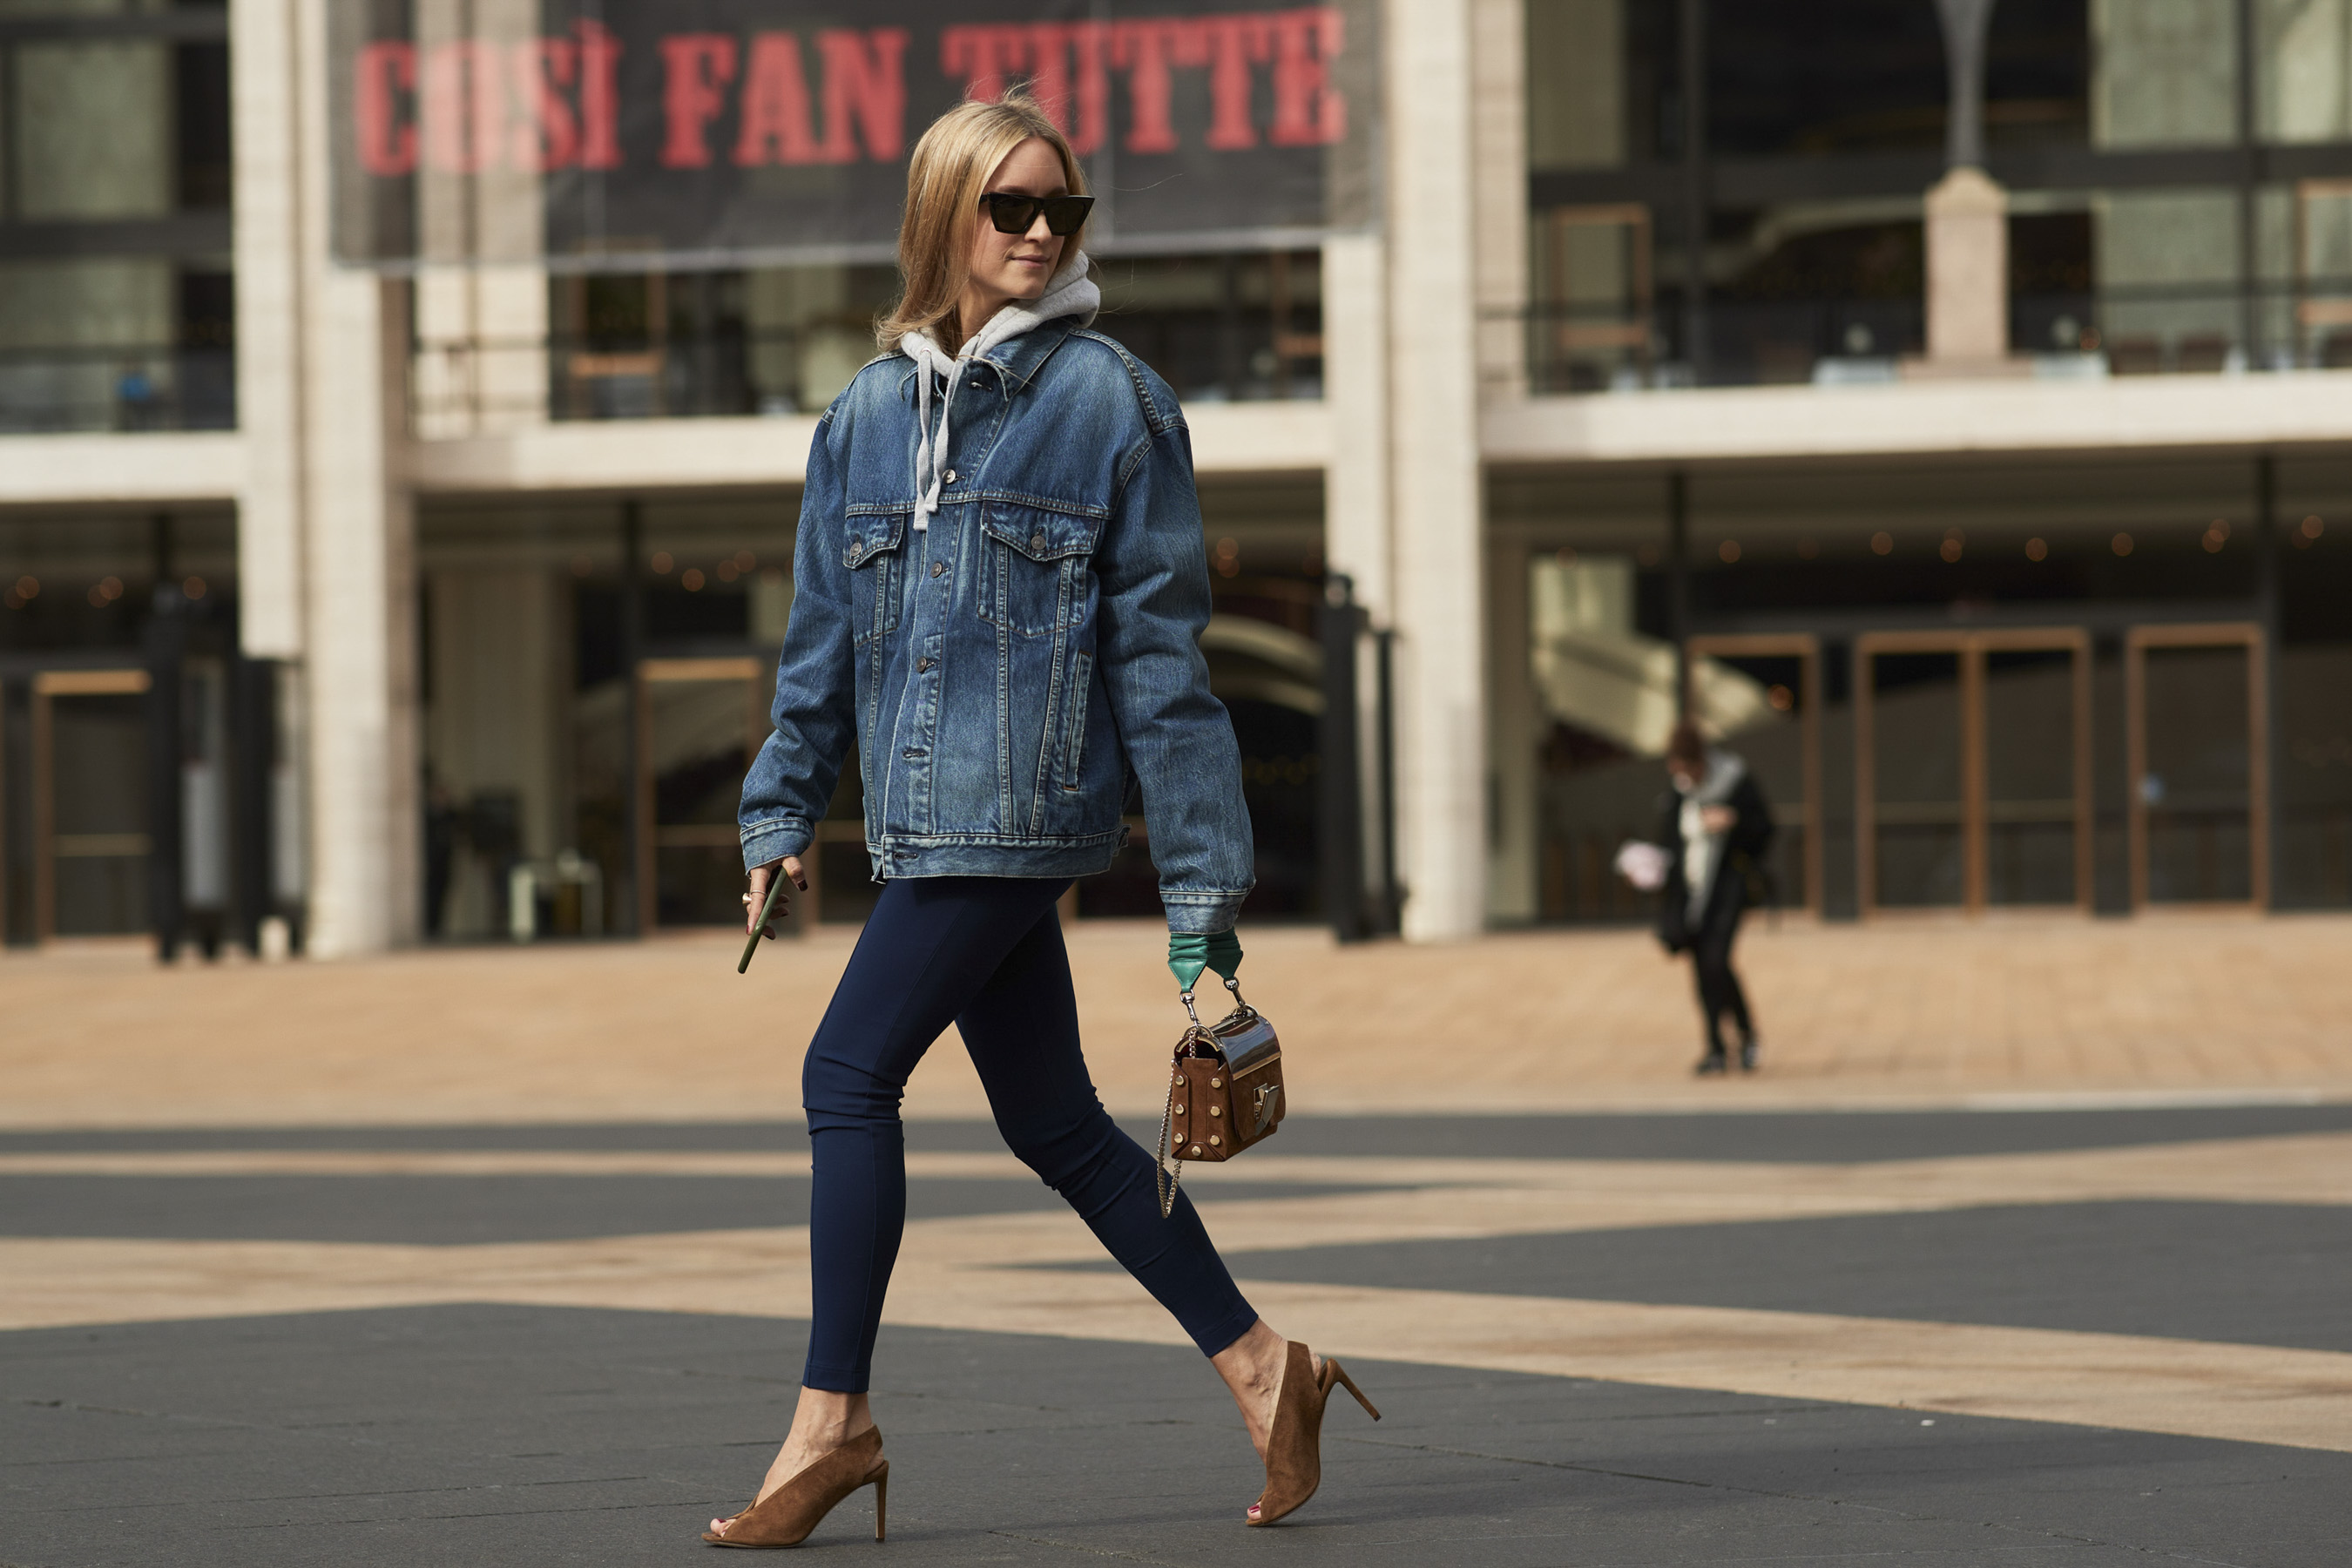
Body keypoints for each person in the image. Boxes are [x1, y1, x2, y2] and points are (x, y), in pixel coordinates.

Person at [713, 93, 1378, 1549]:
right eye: (1007, 207)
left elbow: (1165, 667)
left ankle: (833, 1424)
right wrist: (779, 810)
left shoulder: (1111, 403)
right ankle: (1267, 1368)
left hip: (1020, 819)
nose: (1037, 232)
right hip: (916, 822)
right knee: (1058, 1125)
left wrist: (1201, 903)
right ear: (941, 215)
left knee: (846, 1077)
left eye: (1059, 210)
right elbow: (820, 641)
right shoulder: (864, 416)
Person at [1655, 720, 1774, 1076]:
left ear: (1701, 761)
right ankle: (1715, 1047)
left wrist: (1733, 821)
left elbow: (1765, 829)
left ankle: (1746, 1036)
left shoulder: (1734, 781)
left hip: (1726, 888)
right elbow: (1669, 844)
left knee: (1716, 961)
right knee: (1702, 967)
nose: (1684, 776)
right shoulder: (1679, 793)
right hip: (1692, 892)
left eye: (1688, 768)